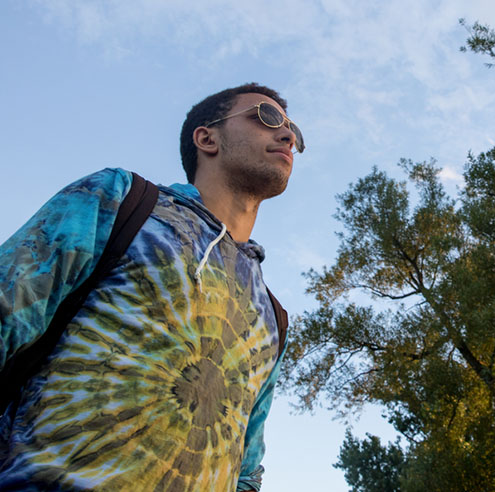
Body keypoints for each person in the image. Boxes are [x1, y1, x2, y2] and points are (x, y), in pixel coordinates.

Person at [0, 82, 304, 491]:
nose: (286, 135)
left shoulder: (272, 315)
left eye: (292, 130)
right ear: (207, 137)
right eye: (265, 118)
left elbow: (247, 470)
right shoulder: (122, 200)